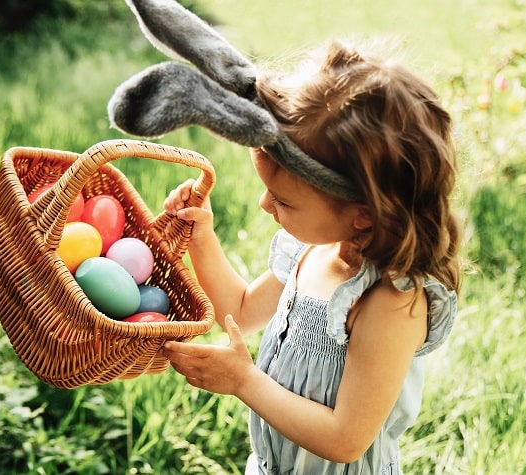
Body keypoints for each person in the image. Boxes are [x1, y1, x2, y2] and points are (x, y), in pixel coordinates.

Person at [159, 40, 462, 474]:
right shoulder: (312, 250)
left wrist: (244, 381)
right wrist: (201, 238)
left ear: (361, 215)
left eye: (283, 200)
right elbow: (240, 313)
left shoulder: (390, 301)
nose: (265, 205)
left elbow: (345, 439)